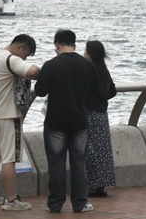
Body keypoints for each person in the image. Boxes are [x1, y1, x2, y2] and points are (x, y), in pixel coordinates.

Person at [35, 30, 99, 213]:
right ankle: (80, 203)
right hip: (79, 121)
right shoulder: (87, 65)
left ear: (56, 45)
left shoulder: (50, 65)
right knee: (79, 163)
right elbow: (94, 91)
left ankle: (55, 204)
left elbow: (40, 90)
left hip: (56, 121)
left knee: (56, 163)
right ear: (75, 45)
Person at [0, 34, 40, 211]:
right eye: (26, 55)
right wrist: (42, 68)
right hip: (8, 115)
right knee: (9, 159)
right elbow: (33, 72)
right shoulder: (11, 59)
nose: (25, 59)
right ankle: (11, 200)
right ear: (20, 47)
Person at [83, 40, 117, 197]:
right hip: (102, 114)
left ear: (89, 53)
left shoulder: (87, 69)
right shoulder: (104, 69)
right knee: (103, 150)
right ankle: (102, 185)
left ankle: (91, 184)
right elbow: (113, 91)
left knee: (89, 150)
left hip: (88, 114)